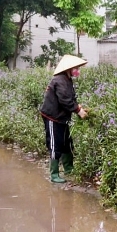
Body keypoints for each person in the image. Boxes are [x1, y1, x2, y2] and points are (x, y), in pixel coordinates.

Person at [39, 55, 88, 183]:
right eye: (75, 68)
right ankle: (54, 174)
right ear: (69, 69)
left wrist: (78, 107)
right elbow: (65, 100)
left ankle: (68, 168)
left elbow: (71, 98)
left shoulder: (67, 79)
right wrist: (78, 110)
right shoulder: (59, 80)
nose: (77, 70)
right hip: (53, 117)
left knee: (67, 142)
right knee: (55, 143)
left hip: (62, 117)